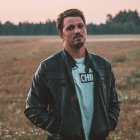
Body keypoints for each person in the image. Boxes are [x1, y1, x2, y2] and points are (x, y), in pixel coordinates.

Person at [24, 9, 120, 140]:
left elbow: (114, 102)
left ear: (85, 29)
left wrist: (107, 124)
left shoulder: (103, 65)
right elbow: (33, 108)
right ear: (61, 34)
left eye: (80, 26)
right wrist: (61, 129)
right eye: (70, 28)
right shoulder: (48, 67)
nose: (77, 31)